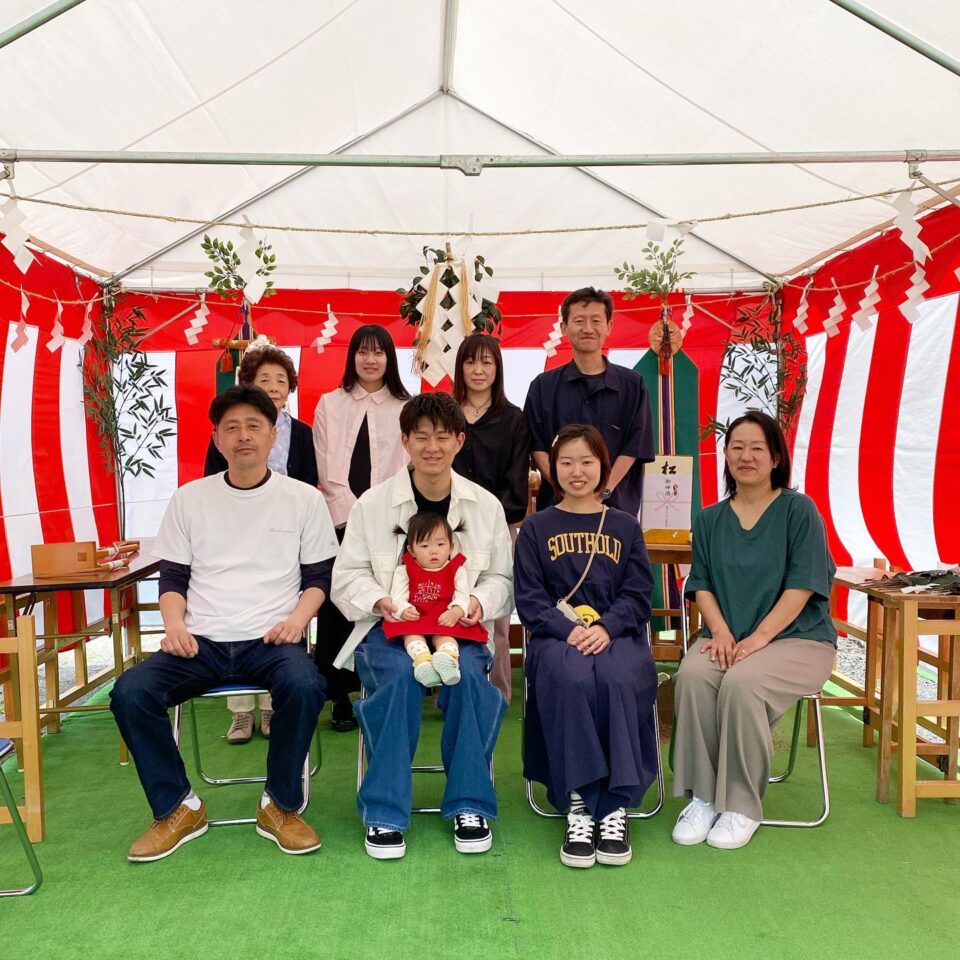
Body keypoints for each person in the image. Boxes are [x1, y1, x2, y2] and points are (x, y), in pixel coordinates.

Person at [110, 385, 338, 862]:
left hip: (273, 638)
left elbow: (319, 577)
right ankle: (178, 806)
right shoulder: (191, 499)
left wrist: (297, 621)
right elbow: (172, 576)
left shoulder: (303, 499)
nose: (243, 436)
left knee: (304, 685)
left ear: (274, 435)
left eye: (254, 426)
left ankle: (280, 805)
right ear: (216, 439)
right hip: (203, 641)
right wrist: (175, 626)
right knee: (131, 693)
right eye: (231, 428)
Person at [331, 392, 513, 860]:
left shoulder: (484, 506)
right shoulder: (373, 505)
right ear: (406, 441)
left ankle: (469, 802)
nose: (432, 447)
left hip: (459, 631)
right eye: (422, 437)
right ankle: (385, 811)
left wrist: (477, 600)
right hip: (390, 631)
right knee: (395, 680)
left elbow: (501, 579)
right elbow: (346, 577)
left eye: (442, 437)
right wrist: (381, 600)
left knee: (471, 679)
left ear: (459, 440)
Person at [671, 410, 837, 850]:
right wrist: (721, 633)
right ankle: (704, 797)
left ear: (776, 456)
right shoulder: (709, 519)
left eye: (757, 448)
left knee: (743, 684)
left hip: (797, 640)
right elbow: (700, 584)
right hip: (728, 638)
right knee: (691, 676)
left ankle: (741, 804)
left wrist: (759, 639)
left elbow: (803, 585)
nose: (746, 456)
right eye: (737, 447)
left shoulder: (799, 511)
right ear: (724, 455)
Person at [515, 424, 658, 869]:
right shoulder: (537, 527)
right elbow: (530, 598)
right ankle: (579, 800)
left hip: (615, 634)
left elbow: (638, 593)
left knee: (617, 677)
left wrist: (608, 627)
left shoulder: (624, 526)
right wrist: (567, 630)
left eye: (587, 462)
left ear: (603, 466)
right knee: (572, 677)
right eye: (566, 462)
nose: (577, 472)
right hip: (558, 636)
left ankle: (614, 804)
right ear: (552, 469)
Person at [203, 340, 318, 744]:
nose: (273, 386)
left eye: (281, 380)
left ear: (290, 389)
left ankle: (272, 706)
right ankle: (240, 712)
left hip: (287, 533)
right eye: (264, 379)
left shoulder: (301, 432)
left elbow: (308, 480)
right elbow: (210, 485)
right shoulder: (228, 433)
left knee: (283, 609)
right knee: (232, 608)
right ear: (248, 382)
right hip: (234, 534)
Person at [312, 324, 411, 732]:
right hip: (339, 517)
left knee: (385, 600)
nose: (370, 360)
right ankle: (338, 695)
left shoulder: (406, 405)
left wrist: (375, 512)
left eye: (379, 352)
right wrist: (353, 512)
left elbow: (408, 466)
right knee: (339, 606)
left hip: (390, 520)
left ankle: (387, 686)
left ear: (390, 358)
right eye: (362, 352)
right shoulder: (329, 404)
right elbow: (324, 464)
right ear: (351, 357)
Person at [524, 287, 654, 519]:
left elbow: (634, 446)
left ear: (609, 326)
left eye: (596, 320)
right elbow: (537, 446)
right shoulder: (543, 386)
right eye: (579, 321)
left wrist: (602, 491)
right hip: (556, 507)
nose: (587, 329)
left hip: (614, 508)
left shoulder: (632, 385)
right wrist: (564, 488)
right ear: (564, 328)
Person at [452, 333, 530, 703]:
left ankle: (496, 689)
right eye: (470, 362)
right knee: (449, 604)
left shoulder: (513, 419)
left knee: (495, 611)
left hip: (499, 525)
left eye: (487, 362)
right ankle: (447, 687)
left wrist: (493, 520)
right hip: (445, 528)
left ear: (497, 368)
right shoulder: (447, 414)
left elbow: (517, 478)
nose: (478, 370)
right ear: (460, 367)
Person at [383, 511, 490, 687]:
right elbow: (397, 596)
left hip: (444, 615)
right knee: (411, 633)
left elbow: (463, 596)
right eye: (424, 546)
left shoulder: (457, 569)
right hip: (416, 616)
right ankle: (422, 662)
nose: (433, 551)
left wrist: (456, 611)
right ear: (411, 550)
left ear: (451, 546)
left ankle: (448, 660)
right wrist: (403, 609)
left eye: (440, 544)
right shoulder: (405, 570)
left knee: (445, 634)